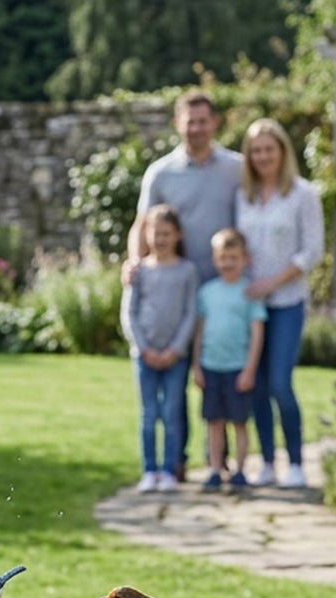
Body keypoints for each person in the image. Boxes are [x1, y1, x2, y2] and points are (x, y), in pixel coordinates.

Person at [124, 91, 242, 478]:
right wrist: (134, 262)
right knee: (175, 385)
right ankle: (176, 461)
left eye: (203, 121)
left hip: (223, 291)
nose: (196, 128)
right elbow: (142, 224)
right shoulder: (161, 172)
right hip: (174, 290)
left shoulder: (235, 168)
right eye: (189, 121)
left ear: (215, 123)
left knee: (217, 375)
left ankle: (219, 459)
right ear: (178, 124)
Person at [235, 117, 324, 489]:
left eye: (269, 149)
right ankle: (268, 462)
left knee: (280, 383)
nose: (262, 156)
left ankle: (297, 462)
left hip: (286, 301)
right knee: (254, 383)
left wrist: (274, 280)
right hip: (251, 305)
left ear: (283, 151)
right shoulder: (243, 196)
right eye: (256, 151)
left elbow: (313, 252)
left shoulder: (303, 194)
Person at [127, 205, 198, 493]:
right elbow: (130, 312)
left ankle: (169, 469)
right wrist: (143, 348)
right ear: (146, 234)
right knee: (148, 415)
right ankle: (149, 470)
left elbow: (190, 313)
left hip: (175, 357)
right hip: (143, 357)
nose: (161, 239)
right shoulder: (139, 271)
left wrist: (176, 349)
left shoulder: (187, 271)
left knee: (171, 413)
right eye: (156, 233)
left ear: (177, 235)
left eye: (167, 233)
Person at [192, 228, 264, 492]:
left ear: (244, 259)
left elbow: (257, 334)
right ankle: (214, 468)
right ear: (215, 259)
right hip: (211, 366)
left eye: (234, 257)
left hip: (237, 368)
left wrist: (249, 369)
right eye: (223, 257)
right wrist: (196, 365)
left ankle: (241, 470)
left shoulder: (249, 292)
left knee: (239, 422)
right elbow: (199, 331)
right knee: (214, 422)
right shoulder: (207, 293)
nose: (228, 263)